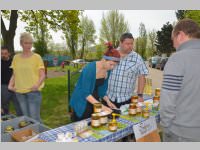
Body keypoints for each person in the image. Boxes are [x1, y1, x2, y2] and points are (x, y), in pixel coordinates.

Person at [160, 19, 200, 142]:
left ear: (180, 35)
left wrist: (166, 127)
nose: (173, 45)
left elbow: (167, 101)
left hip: (182, 133)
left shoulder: (178, 59)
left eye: (173, 40)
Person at [70, 42, 120, 121]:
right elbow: (85, 93)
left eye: (115, 65)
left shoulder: (107, 71)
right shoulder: (89, 69)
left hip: (95, 101)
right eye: (111, 64)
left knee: (95, 124)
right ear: (104, 59)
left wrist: (108, 102)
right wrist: (103, 107)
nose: (112, 68)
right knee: (82, 126)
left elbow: (102, 91)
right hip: (82, 101)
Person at [8, 32, 46, 122]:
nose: (29, 45)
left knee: (34, 118)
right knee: (26, 118)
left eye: (30, 43)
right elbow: (14, 74)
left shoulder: (37, 57)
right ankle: (31, 135)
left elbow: (43, 75)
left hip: (33, 92)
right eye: (26, 43)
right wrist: (10, 85)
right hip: (19, 92)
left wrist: (37, 85)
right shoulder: (16, 58)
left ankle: (40, 135)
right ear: (21, 44)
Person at [106, 33, 149, 108]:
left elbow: (142, 76)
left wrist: (140, 95)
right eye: (127, 44)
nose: (130, 46)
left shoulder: (137, 58)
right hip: (108, 98)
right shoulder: (111, 54)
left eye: (132, 44)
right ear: (120, 43)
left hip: (126, 100)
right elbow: (102, 71)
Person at [1, 46, 23, 116]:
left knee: (18, 104)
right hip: (3, 87)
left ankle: (21, 118)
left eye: (5, 53)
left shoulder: (14, 62)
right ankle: (5, 119)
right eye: (1, 53)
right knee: (5, 105)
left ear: (9, 54)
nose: (3, 55)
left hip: (15, 86)